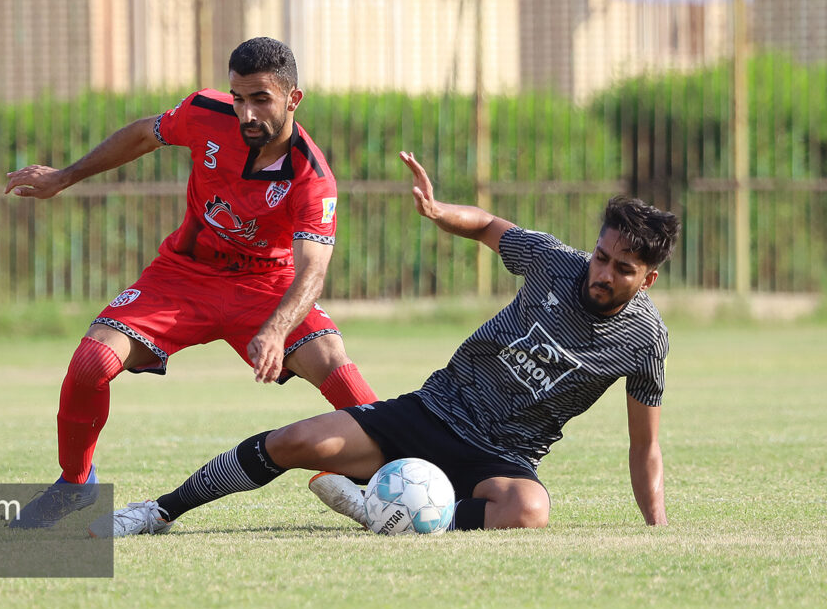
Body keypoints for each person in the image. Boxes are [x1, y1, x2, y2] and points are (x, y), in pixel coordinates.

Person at [85, 150, 681, 537]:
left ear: (647, 278)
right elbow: (491, 227)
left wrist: (654, 532)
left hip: (500, 459)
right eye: (602, 256)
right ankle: (159, 510)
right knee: (293, 440)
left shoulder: (645, 341)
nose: (602, 273)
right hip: (428, 413)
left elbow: (644, 446)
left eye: (621, 269)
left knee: (529, 510)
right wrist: (439, 211)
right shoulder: (557, 263)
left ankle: (387, 513)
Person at [4, 37, 376, 528]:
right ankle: (75, 486)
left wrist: (274, 327)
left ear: (293, 99)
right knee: (91, 362)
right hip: (184, 275)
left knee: (334, 364)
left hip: (265, 287)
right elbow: (142, 134)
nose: (246, 113)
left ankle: (399, 477)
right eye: (239, 97)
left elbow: (312, 270)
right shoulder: (205, 112)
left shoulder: (312, 178)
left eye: (261, 99)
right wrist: (65, 177)